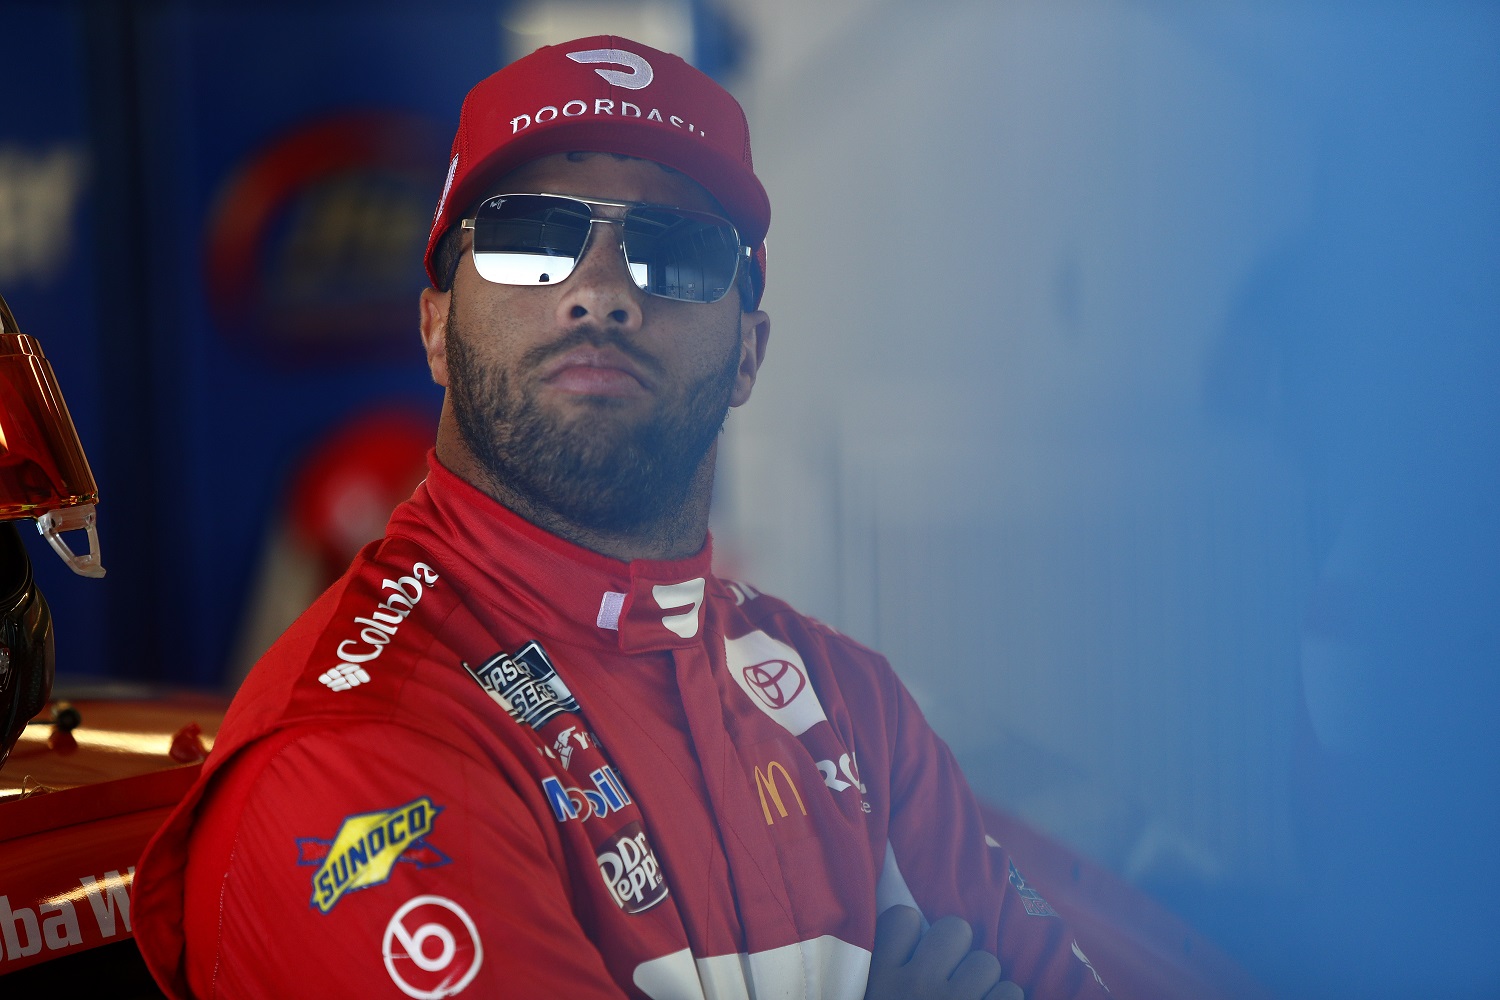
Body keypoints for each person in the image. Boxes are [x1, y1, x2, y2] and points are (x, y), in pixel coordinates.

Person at [133, 36, 1114, 1000]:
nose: (598, 291)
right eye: (528, 238)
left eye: (675, 252)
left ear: (748, 352)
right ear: (435, 326)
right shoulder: (354, 757)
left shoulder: (854, 707)